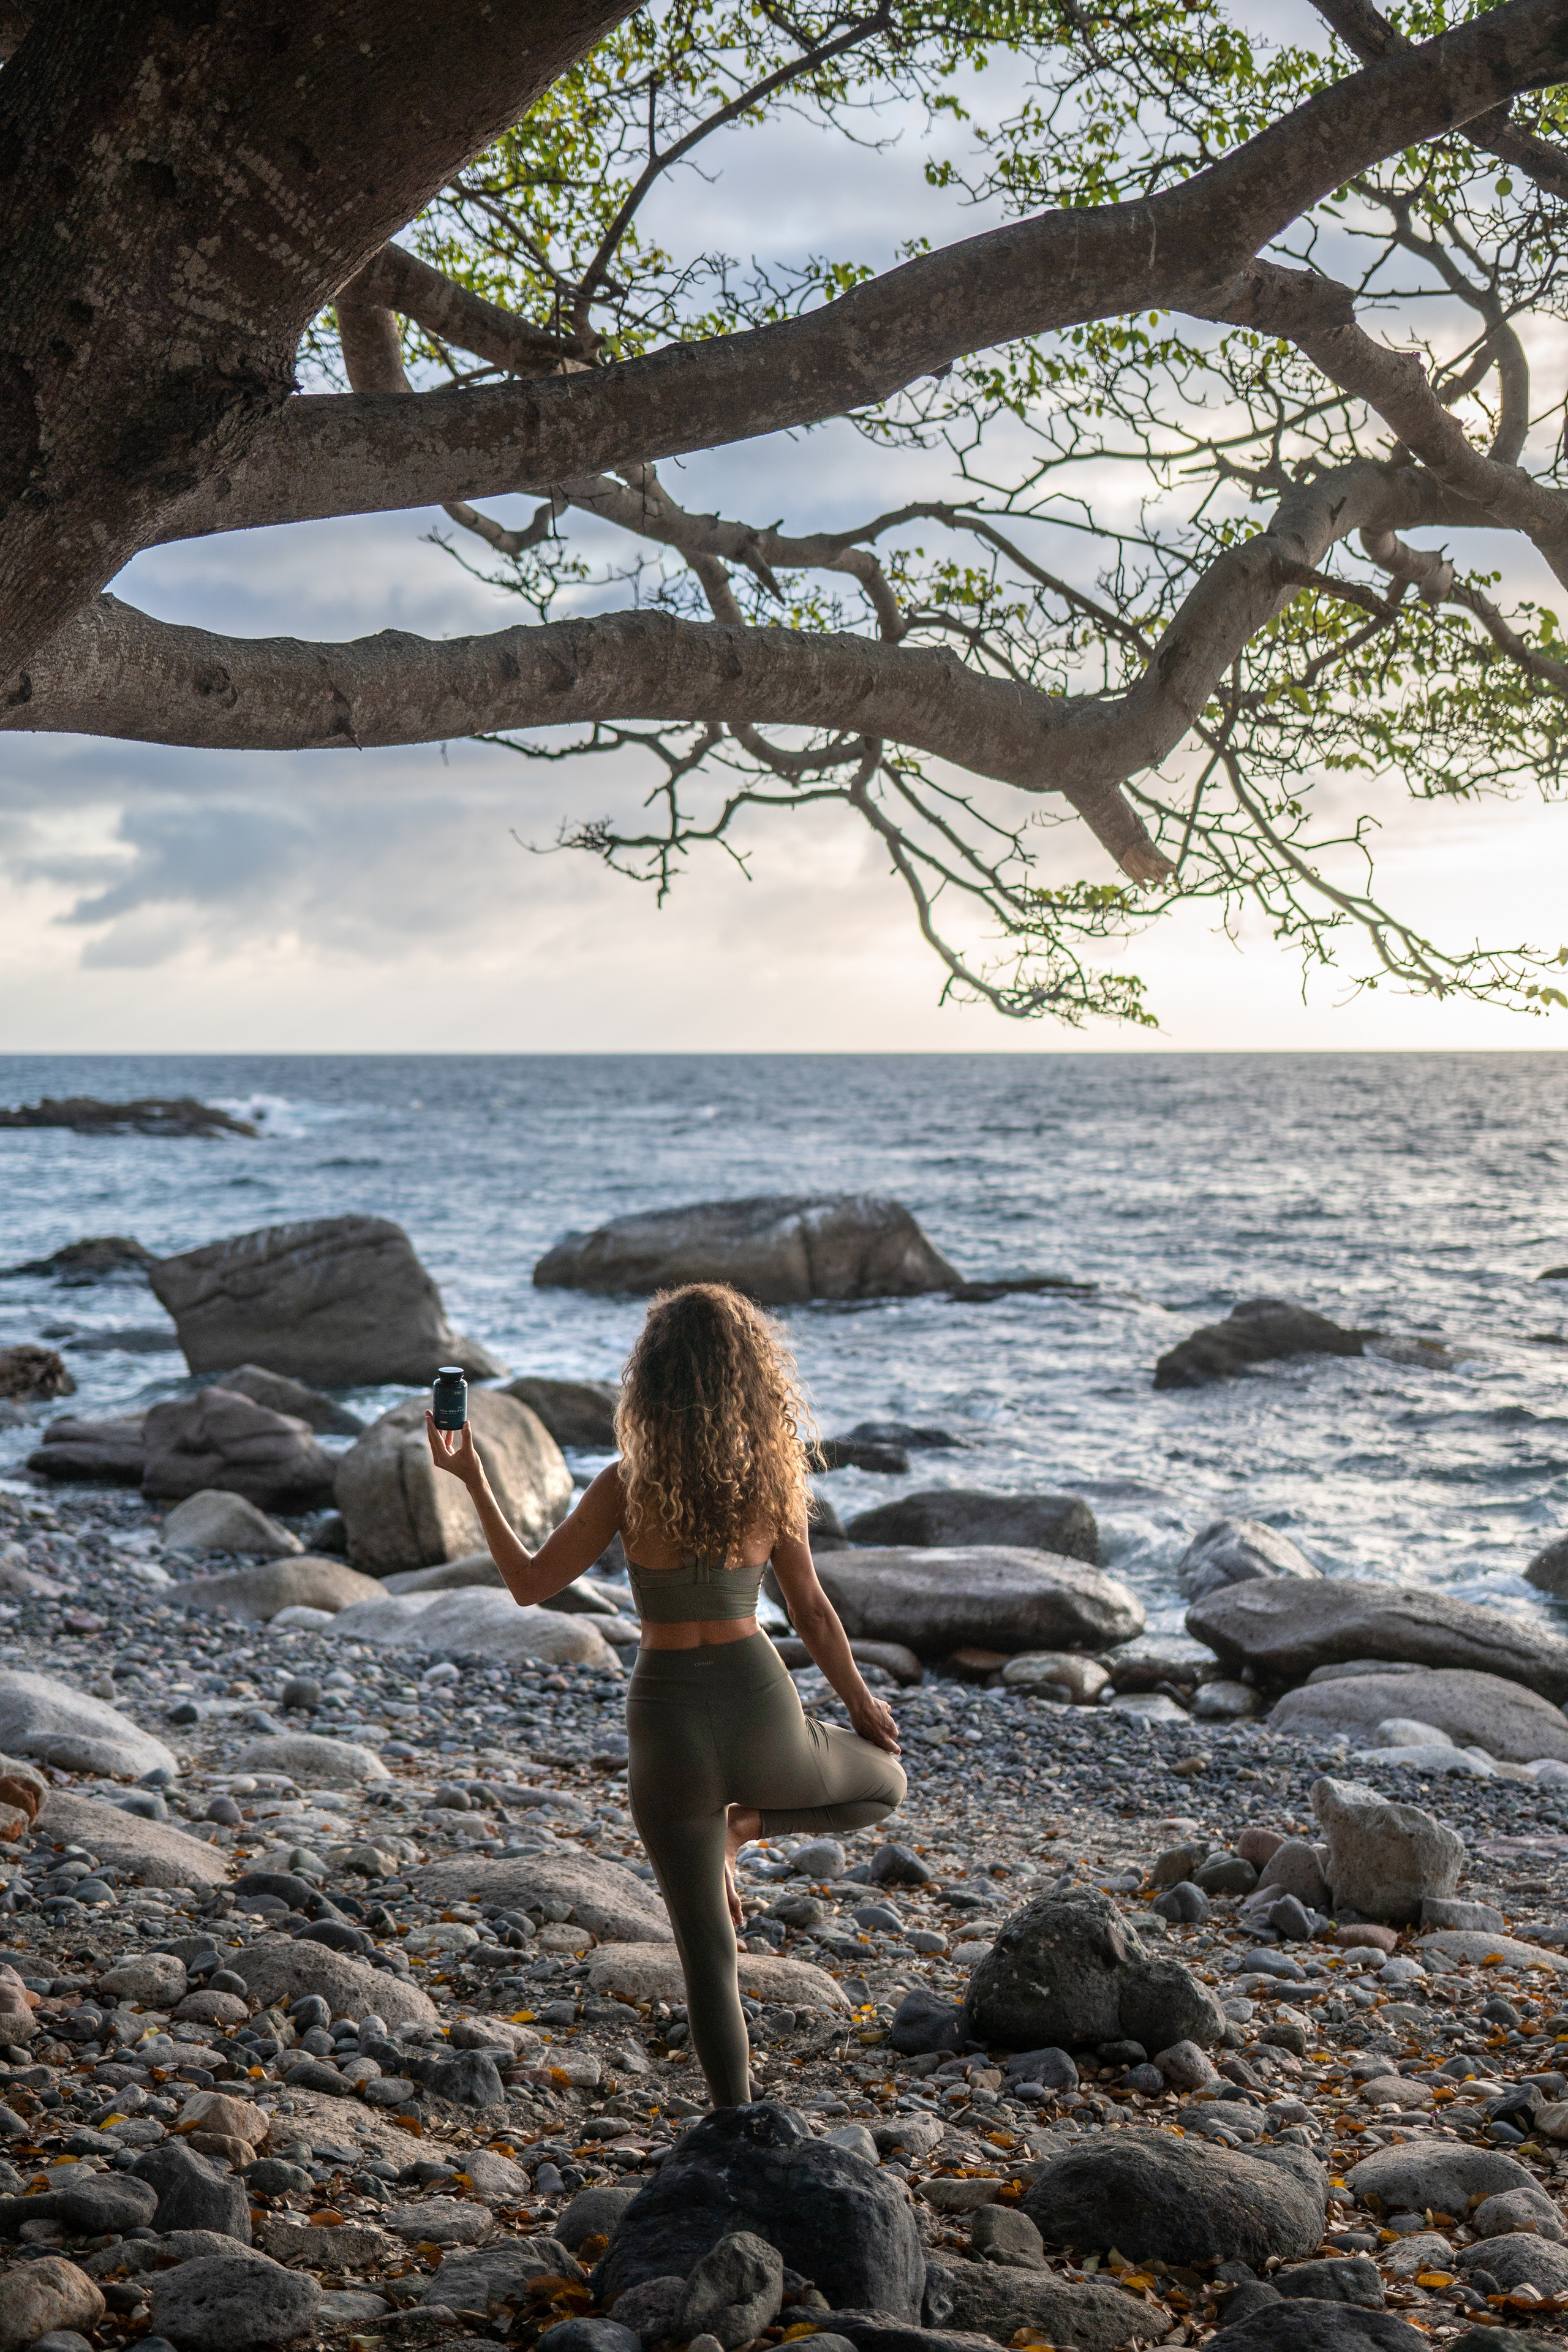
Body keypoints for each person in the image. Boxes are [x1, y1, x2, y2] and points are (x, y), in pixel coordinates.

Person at [425, 1281, 906, 2110]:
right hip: (760, 1705)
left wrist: (470, 1474)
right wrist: (861, 1704)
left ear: (651, 1382)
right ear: (748, 1379)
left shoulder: (627, 1481)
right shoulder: (770, 1480)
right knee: (884, 1785)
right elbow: (814, 1613)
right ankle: (747, 1829)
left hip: (663, 1722)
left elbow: (530, 1585)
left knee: (707, 1958)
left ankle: (733, 2123)